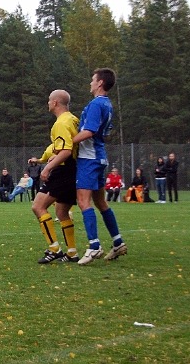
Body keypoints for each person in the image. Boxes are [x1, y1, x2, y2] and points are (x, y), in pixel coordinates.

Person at [72, 68, 127, 265]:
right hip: (100, 157)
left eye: (93, 80)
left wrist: (69, 142)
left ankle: (94, 246)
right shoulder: (108, 105)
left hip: (89, 159)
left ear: (100, 83)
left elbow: (90, 131)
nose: (91, 83)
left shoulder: (96, 104)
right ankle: (118, 242)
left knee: (83, 201)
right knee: (101, 202)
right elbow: (104, 135)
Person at [31, 89, 80, 264]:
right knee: (62, 211)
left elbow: (65, 151)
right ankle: (72, 252)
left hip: (63, 169)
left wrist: (46, 168)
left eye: (49, 100)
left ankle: (54, 249)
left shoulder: (60, 123)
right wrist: (44, 158)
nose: (48, 103)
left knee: (38, 206)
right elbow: (63, 147)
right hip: (74, 168)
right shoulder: (73, 119)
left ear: (55, 103)